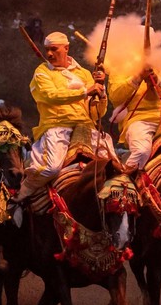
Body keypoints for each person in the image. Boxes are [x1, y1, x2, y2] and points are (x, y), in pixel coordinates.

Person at [18, 31, 109, 200]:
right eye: (47, 50)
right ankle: (20, 195)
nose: (49, 54)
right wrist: (85, 91)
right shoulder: (42, 72)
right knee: (51, 169)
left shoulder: (84, 73)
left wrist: (101, 92)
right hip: (56, 127)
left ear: (66, 48)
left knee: (113, 169)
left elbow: (96, 114)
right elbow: (50, 96)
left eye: (54, 49)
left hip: (85, 127)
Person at [106, 51, 161, 177]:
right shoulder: (120, 66)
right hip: (140, 118)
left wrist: (158, 80)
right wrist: (137, 77)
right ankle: (125, 183)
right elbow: (115, 95)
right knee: (141, 151)